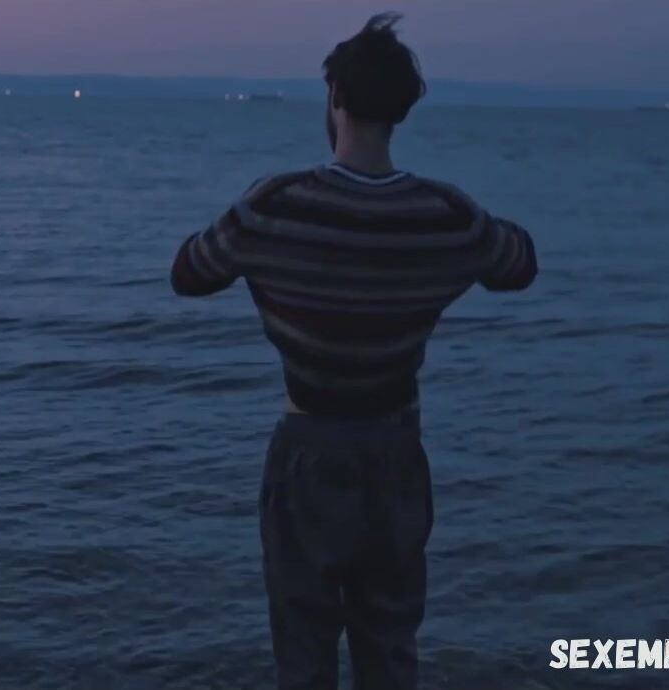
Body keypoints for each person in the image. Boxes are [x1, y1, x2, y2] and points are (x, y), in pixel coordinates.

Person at [170, 13, 537, 690]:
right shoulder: (447, 214)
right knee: (390, 649)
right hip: (395, 450)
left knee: (302, 650)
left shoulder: (275, 205)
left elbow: (188, 273)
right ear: (402, 108)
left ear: (334, 96)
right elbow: (519, 264)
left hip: (308, 450)